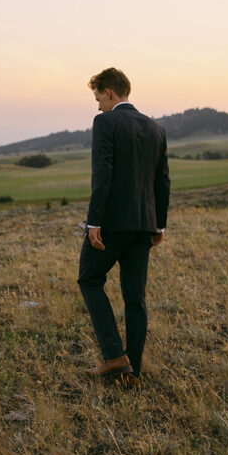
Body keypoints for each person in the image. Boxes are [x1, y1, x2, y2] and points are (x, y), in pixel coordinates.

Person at [79, 67, 170, 389]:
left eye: (98, 98)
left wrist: (94, 223)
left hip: (112, 225)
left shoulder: (106, 122)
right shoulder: (156, 128)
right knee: (136, 298)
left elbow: (102, 174)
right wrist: (159, 224)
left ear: (109, 93)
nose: (98, 105)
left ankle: (115, 356)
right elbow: (162, 180)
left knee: (89, 279)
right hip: (144, 225)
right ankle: (133, 371)